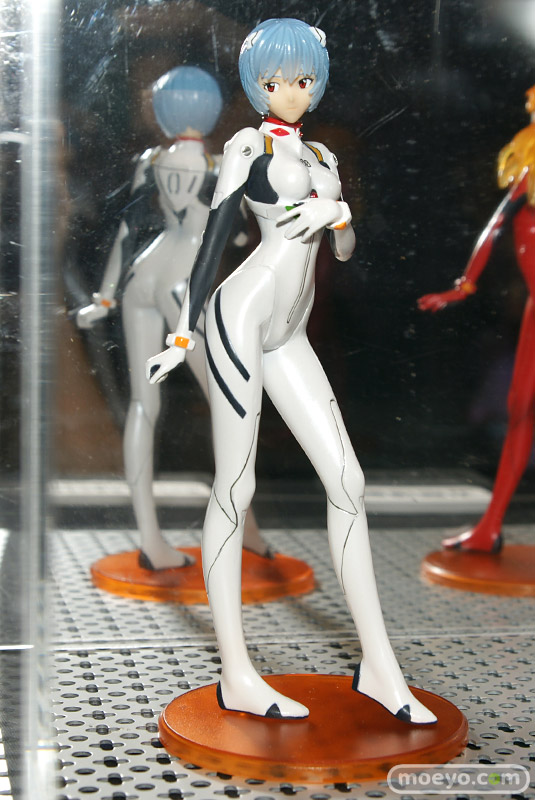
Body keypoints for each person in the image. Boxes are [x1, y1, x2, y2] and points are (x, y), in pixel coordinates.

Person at [148, 19, 436, 723]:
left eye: (303, 79)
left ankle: (379, 667)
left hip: (290, 329)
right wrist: (182, 335)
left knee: (348, 481)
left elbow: (343, 250)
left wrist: (339, 214)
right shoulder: (246, 146)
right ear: (256, 85)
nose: (291, 92)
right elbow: (214, 238)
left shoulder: (322, 155)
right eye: (275, 81)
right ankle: (236, 673)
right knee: (235, 484)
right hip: (241, 314)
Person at [77, 66, 267, 569]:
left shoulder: (151, 162)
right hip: (185, 284)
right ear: (213, 110)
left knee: (144, 406)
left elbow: (128, 229)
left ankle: (153, 541)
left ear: (161, 113)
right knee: (228, 406)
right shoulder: (222, 163)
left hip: (143, 275)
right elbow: (239, 233)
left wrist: (104, 297)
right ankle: (241, 528)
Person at [419, 86, 535, 554]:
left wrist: (464, 286)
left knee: (521, 412)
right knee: (520, 411)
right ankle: (490, 526)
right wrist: (464, 286)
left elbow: (496, 227)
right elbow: (496, 226)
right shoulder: (525, 180)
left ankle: (490, 525)